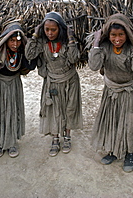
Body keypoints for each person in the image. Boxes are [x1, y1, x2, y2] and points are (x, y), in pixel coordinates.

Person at [88, 13, 133, 172]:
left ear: (127, 34)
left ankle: (129, 153)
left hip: (129, 91)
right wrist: (96, 41)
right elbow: (94, 65)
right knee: (112, 121)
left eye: (121, 35)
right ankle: (113, 151)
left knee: (128, 122)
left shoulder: (132, 48)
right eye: (113, 35)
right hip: (111, 91)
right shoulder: (105, 47)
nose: (117, 39)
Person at [25, 12, 83, 157]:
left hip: (70, 81)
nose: (50, 33)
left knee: (69, 109)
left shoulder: (67, 42)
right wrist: (35, 35)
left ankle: (67, 137)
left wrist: (70, 38)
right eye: (46, 29)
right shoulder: (42, 43)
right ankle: (55, 138)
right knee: (53, 110)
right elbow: (29, 54)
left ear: (60, 29)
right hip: (52, 82)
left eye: (53, 30)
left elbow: (73, 58)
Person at [0, 22, 36, 158]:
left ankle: (12, 143)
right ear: (6, 40)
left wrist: (30, 47)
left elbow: (30, 66)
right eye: (12, 40)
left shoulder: (20, 53)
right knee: (0, 113)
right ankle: (0, 143)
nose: (15, 44)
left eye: (18, 41)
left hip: (14, 85)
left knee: (12, 112)